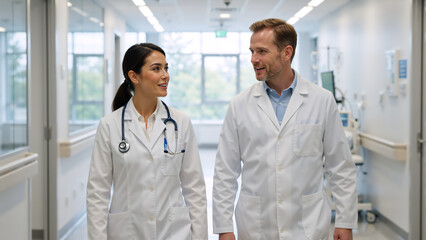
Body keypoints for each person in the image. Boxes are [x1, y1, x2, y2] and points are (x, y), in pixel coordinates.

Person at [212, 18, 357, 240]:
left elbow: (340, 166)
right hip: (256, 225)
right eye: (252, 51)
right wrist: (224, 228)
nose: (254, 59)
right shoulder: (239, 105)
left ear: (286, 52)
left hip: (307, 224)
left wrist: (345, 221)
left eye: (262, 51)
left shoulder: (322, 101)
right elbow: (225, 172)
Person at [87, 43, 208, 240]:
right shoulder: (110, 125)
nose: (165, 75)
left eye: (166, 68)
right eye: (156, 68)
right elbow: (97, 193)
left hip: (174, 231)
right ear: (134, 76)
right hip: (127, 232)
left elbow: (194, 189)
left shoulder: (181, 122)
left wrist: (200, 237)